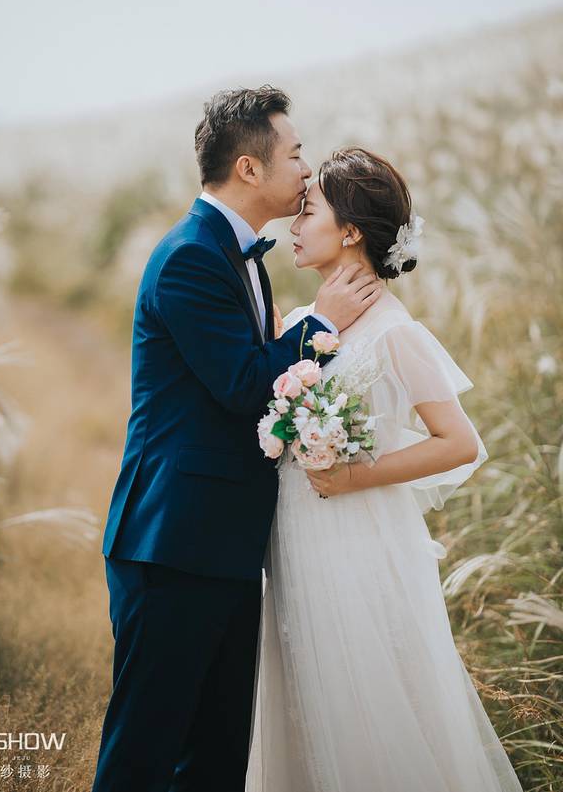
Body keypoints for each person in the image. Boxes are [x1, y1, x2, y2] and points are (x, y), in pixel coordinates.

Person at [90, 88, 381, 792]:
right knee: (143, 755)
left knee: (216, 758)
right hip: (173, 544)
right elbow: (246, 384)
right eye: (296, 153)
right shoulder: (190, 257)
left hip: (223, 543)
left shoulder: (238, 254)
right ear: (250, 168)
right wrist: (321, 325)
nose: (306, 168)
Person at [245, 147, 524, 791]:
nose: (294, 224)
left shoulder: (395, 333)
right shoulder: (309, 323)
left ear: (349, 231)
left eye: (309, 212)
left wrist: (355, 477)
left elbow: (459, 442)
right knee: (304, 692)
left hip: (359, 542)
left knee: (366, 699)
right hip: (295, 538)